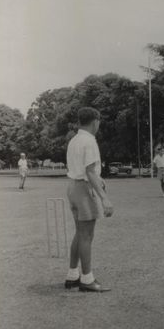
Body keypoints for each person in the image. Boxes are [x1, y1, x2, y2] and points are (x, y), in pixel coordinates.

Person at [65, 107, 114, 292]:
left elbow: (84, 169)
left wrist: (98, 179)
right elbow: (90, 171)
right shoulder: (89, 141)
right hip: (84, 189)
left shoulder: (74, 140)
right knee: (86, 235)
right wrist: (104, 198)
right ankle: (87, 279)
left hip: (72, 187)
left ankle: (72, 275)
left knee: (79, 233)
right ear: (95, 121)